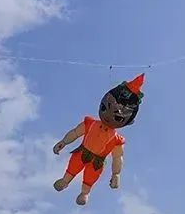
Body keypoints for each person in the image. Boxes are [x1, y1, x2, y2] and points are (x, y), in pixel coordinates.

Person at [53, 74, 145, 205]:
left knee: (90, 176)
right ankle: (65, 181)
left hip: (96, 161)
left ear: (128, 122)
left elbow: (117, 158)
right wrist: (64, 142)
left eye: (118, 117)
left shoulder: (116, 140)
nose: (108, 116)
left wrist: (116, 174)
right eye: (105, 108)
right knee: (73, 166)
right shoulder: (90, 124)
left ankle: (85, 193)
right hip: (82, 152)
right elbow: (75, 132)